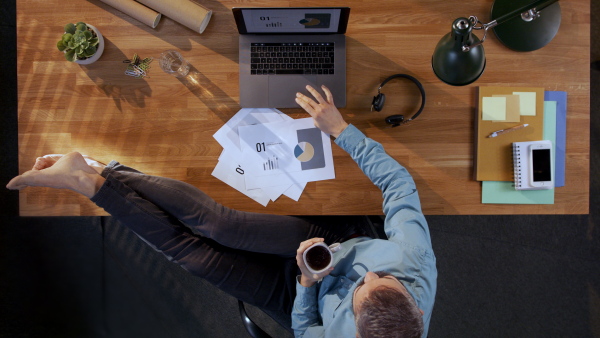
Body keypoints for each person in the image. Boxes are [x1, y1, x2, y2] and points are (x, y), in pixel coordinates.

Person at [7, 85, 436, 337]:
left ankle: (91, 183)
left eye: (361, 291)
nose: (369, 274)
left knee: (193, 257)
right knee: (217, 224)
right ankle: (105, 170)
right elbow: (398, 183)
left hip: (299, 294)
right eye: (382, 277)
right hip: (330, 242)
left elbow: (305, 330)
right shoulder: (413, 259)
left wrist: (307, 283)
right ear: (416, 309)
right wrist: (341, 130)